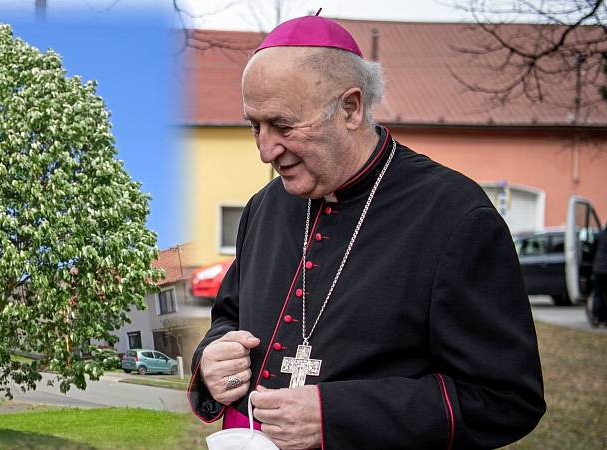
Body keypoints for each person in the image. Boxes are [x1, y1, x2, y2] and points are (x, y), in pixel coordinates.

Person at [187, 14, 546, 450]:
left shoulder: (454, 215)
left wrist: (338, 416)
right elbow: (230, 314)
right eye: (254, 126)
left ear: (351, 108)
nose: (266, 151)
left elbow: (505, 398)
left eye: (283, 126)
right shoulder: (265, 206)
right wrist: (212, 359)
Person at [592, 225, 607, 326]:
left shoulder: (599, 235)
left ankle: (596, 317)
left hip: (598, 269)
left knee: (598, 294)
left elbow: (592, 251)